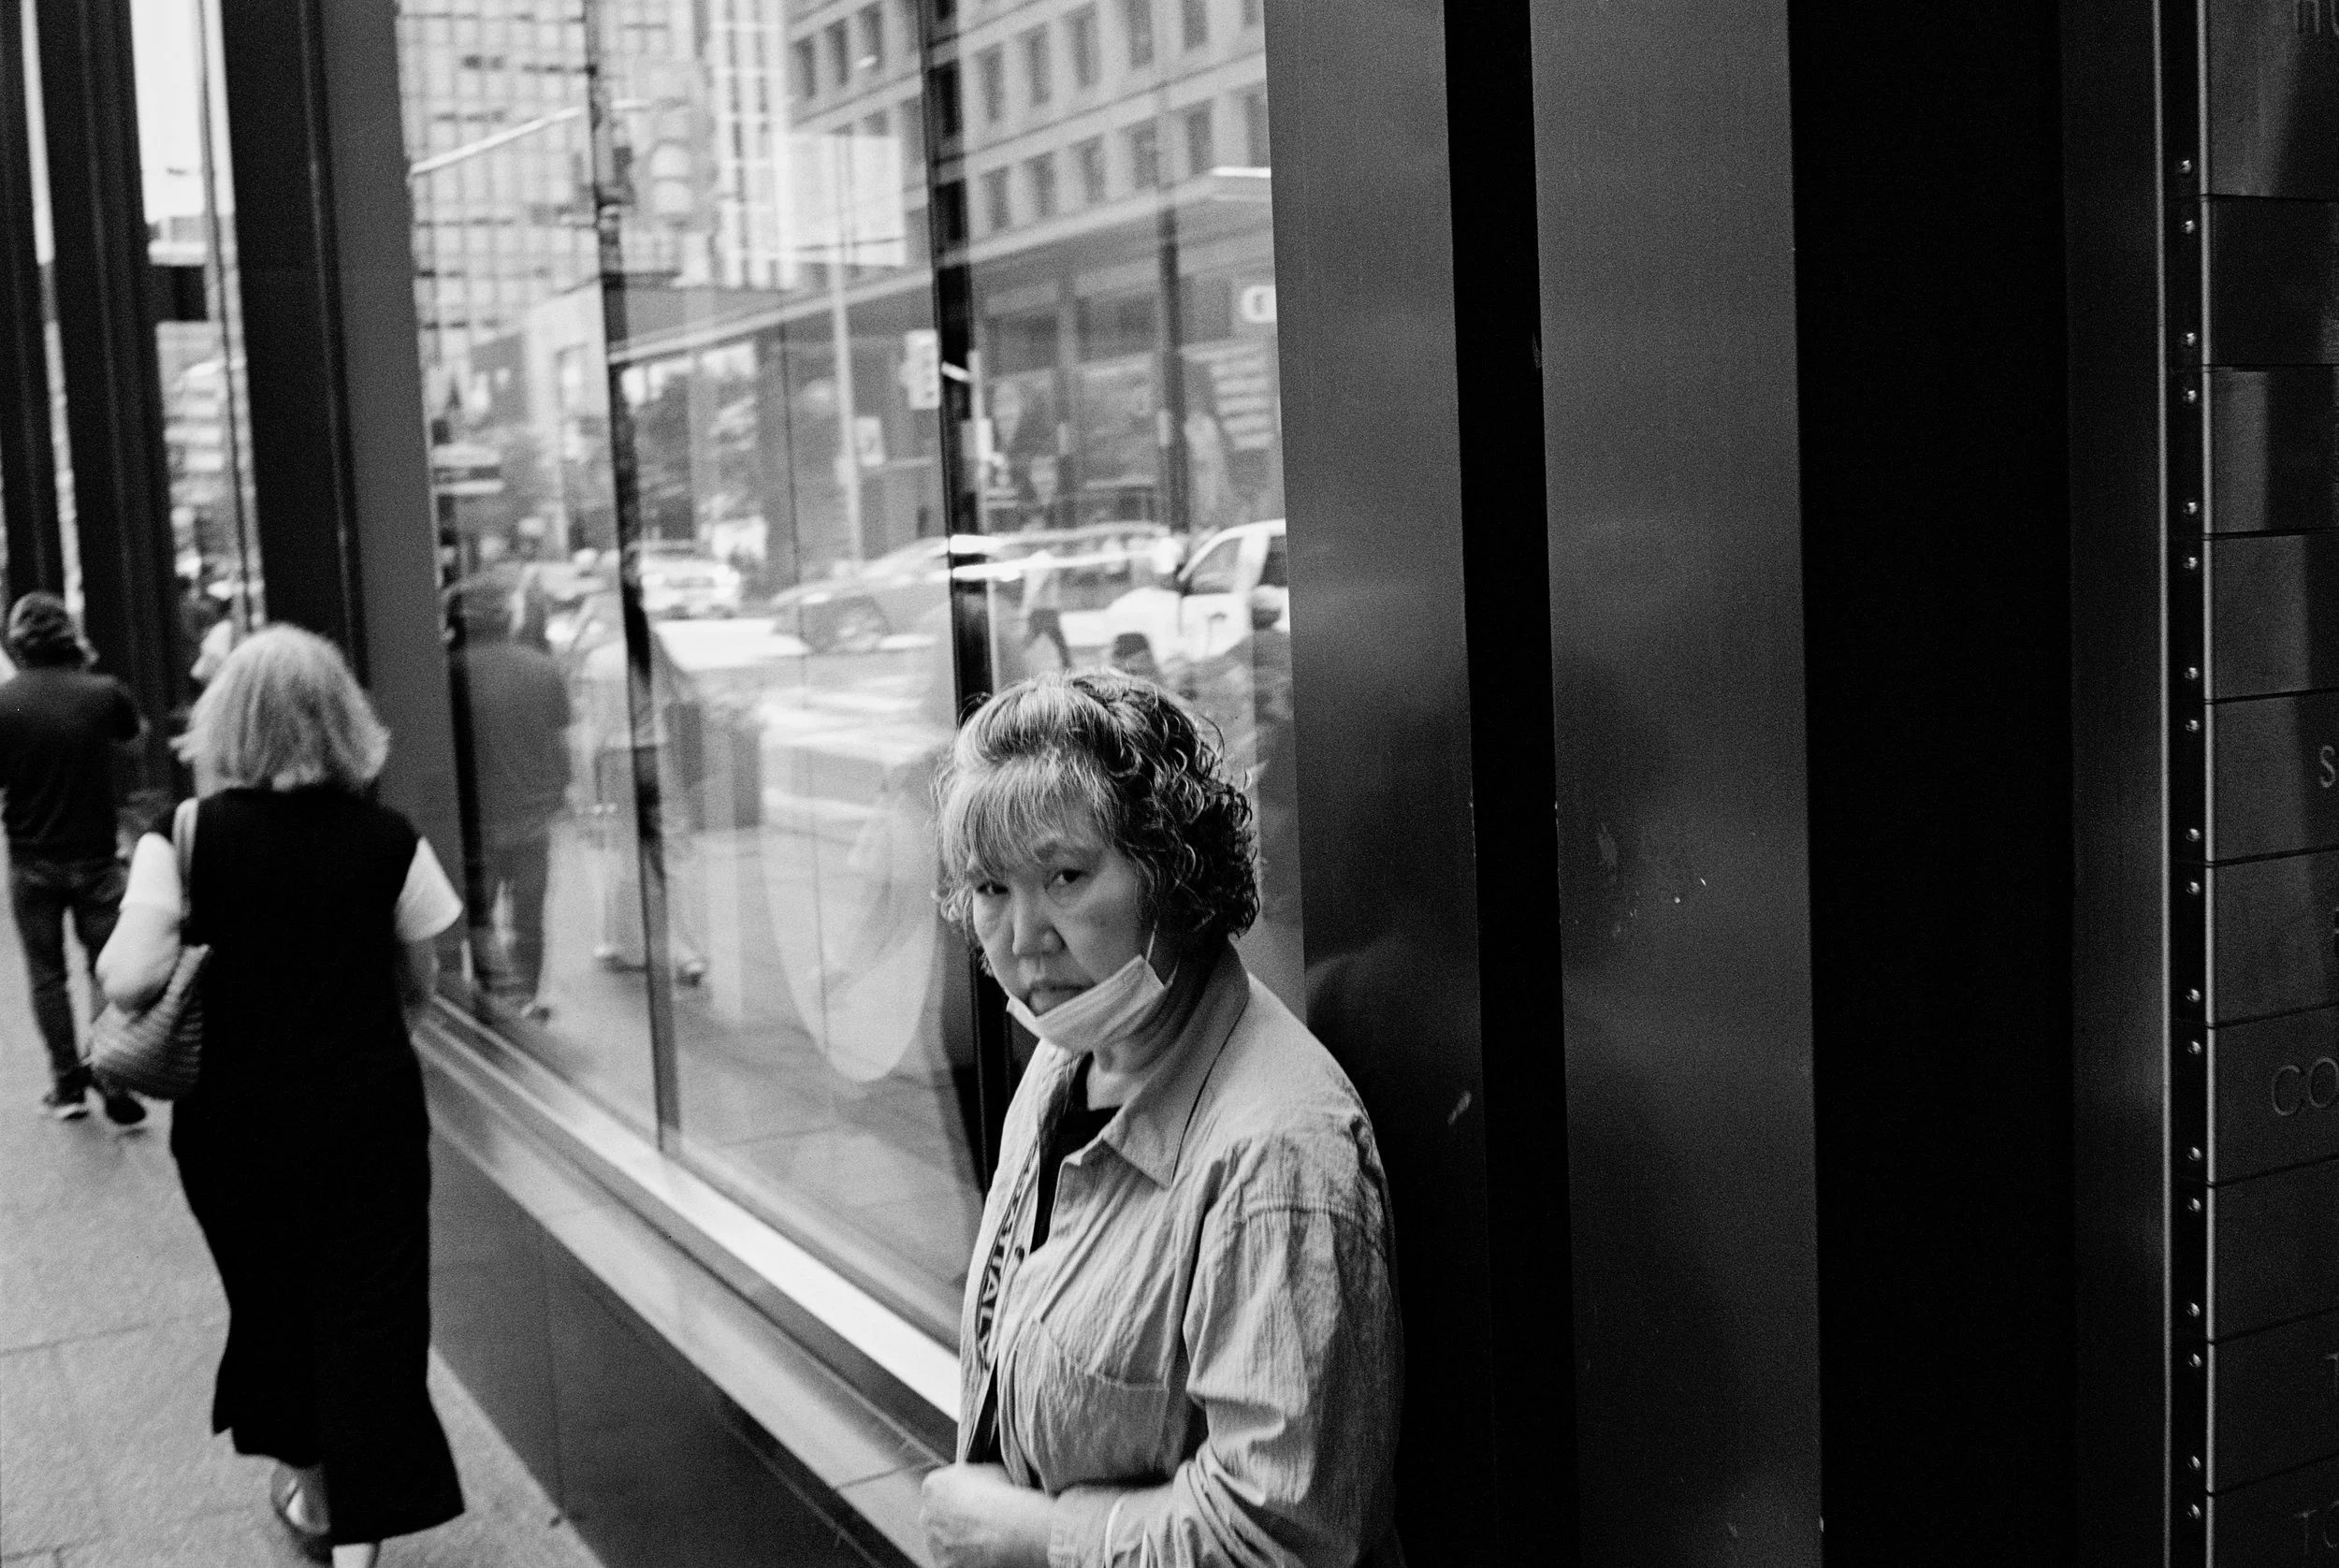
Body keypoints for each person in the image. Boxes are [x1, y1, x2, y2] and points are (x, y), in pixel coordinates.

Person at [920, 670, 1403, 1568]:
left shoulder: (1274, 1160)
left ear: (1169, 875)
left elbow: (1277, 1538)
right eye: (991, 888)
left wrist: (1023, 1540)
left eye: (1064, 876)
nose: (1024, 937)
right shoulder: (1067, 1063)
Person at [96, 627, 466, 1568]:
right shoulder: (390, 840)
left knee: (269, 1297)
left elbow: (132, 977)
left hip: (233, 1123)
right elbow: (419, 983)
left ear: (226, 723)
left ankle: (311, 1478)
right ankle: (363, 1529)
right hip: (369, 1117)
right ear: (346, 718)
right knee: (371, 1307)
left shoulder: (183, 833)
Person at [0, 592, 148, 1125]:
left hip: (31, 859)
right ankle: (108, 1075)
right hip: (97, 856)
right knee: (105, 971)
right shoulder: (103, 692)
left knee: (46, 975)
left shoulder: (5, 701)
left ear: (16, 643)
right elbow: (135, 743)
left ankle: (66, 1089)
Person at [447, 578, 572, 1018]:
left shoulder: (450, 669)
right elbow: (560, 734)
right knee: (529, 915)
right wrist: (560, 792)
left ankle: (496, 990)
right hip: (533, 810)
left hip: (476, 814)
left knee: (479, 913)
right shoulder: (540, 666)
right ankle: (525, 996)